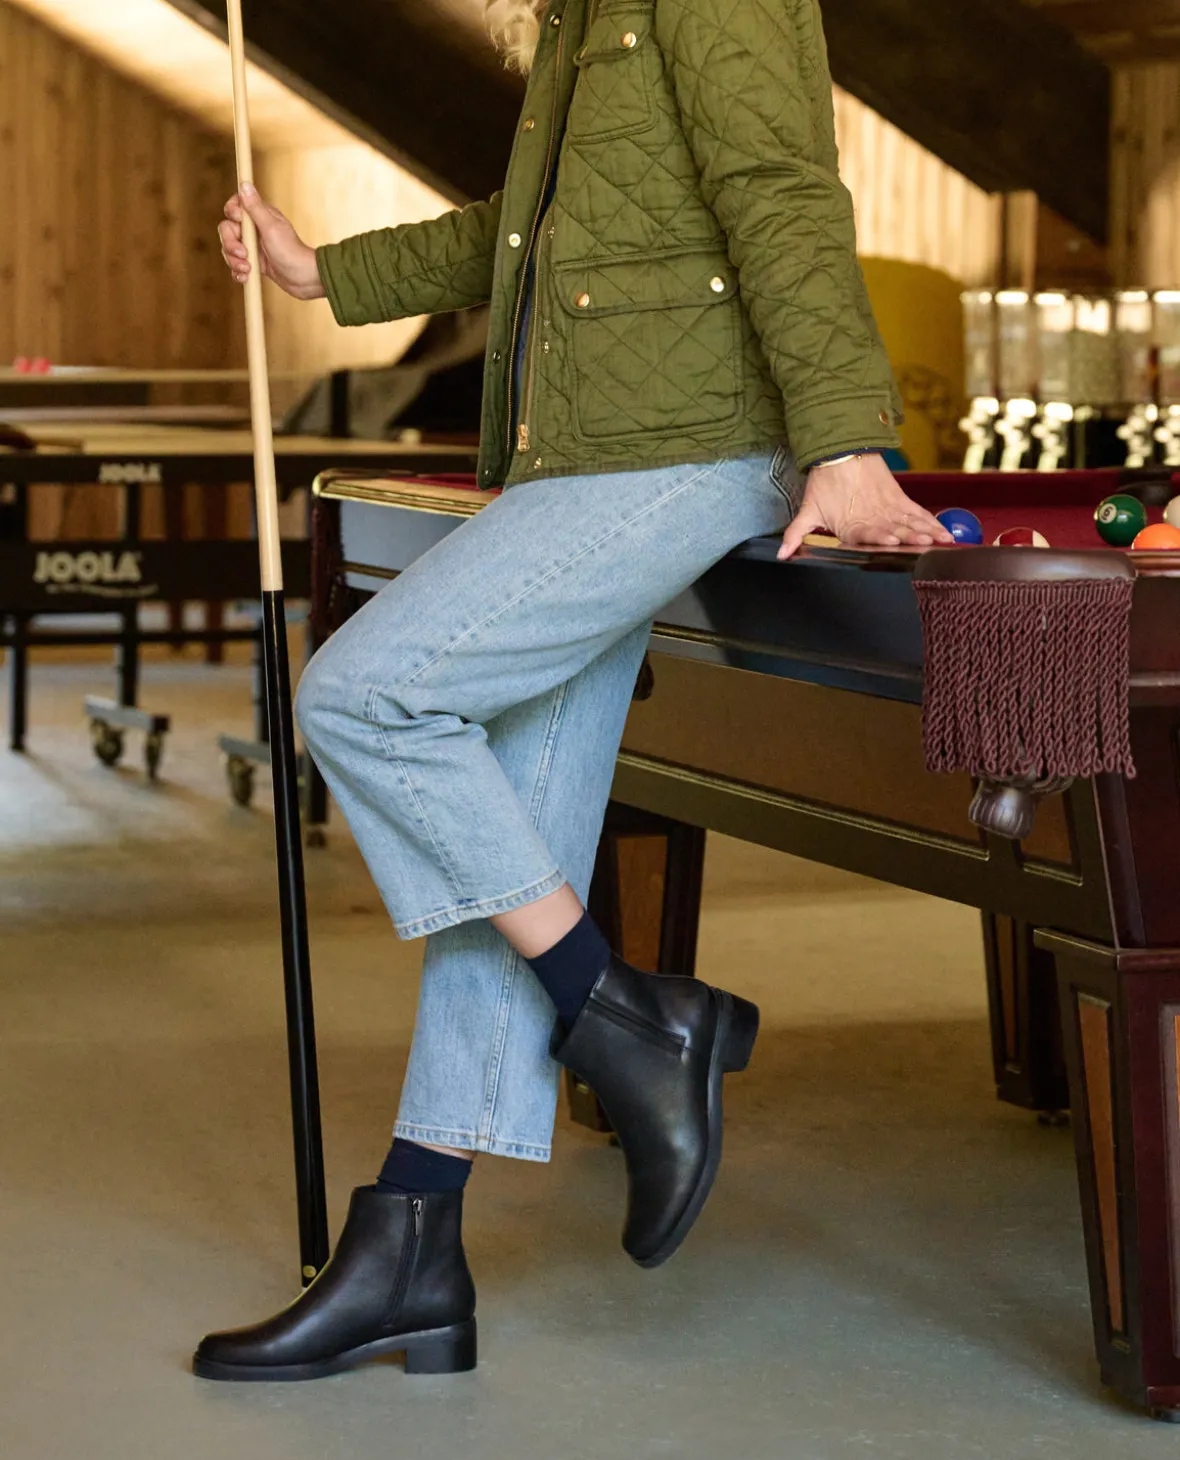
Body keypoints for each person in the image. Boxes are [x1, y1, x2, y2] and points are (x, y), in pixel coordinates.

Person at [195, 0, 952, 1383]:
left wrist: (846, 439)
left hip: (686, 449)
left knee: (366, 696)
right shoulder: (581, 13)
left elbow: (781, 191)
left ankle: (627, 1019)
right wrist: (324, 273)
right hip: (594, 453)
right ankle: (416, 1241)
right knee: (514, 850)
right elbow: (532, 227)